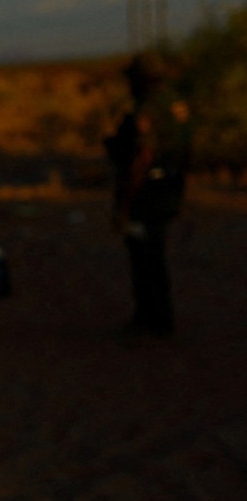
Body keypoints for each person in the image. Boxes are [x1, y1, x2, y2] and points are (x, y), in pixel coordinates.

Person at [104, 53, 191, 339]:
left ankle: (152, 321)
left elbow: (144, 155)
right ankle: (158, 319)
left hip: (148, 192)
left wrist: (126, 203)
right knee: (153, 253)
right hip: (170, 186)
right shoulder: (175, 102)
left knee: (145, 257)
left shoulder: (148, 108)